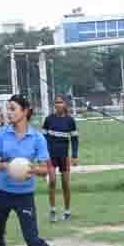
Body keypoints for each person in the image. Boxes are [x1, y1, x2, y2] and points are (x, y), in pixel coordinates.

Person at [0, 94, 81, 246]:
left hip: (24, 195)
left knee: (32, 239)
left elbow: (47, 169)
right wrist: (7, 166)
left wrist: (29, 169)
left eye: (13, 109)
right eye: (7, 109)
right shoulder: (0, 134)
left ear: (25, 111)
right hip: (1, 192)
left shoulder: (37, 138)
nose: (9, 113)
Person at [42, 94, 79, 223]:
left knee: (65, 184)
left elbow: (74, 139)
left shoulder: (70, 121)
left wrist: (74, 156)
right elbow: (44, 139)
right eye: (56, 102)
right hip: (51, 156)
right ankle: (52, 211)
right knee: (52, 181)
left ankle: (67, 212)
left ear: (65, 104)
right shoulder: (49, 120)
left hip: (64, 156)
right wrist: (43, 154)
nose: (58, 105)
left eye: (60, 102)